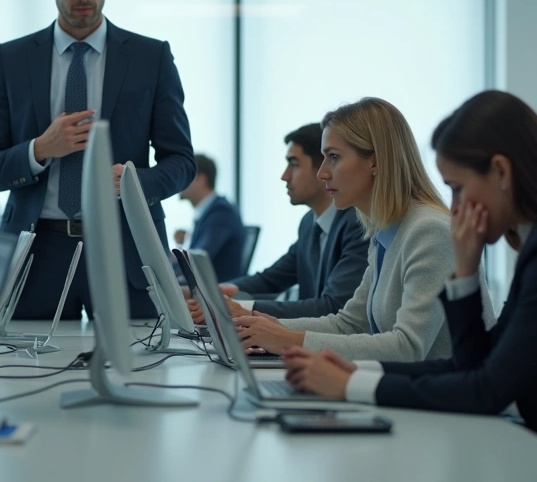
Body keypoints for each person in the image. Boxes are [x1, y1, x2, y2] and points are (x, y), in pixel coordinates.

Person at [282, 91, 537, 471]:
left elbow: (487, 390)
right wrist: (466, 273)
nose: (453, 208)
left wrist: (351, 386)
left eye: (457, 189)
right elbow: (472, 364)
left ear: (501, 172)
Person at [0, 0, 195, 319]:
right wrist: (40, 149)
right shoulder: (11, 59)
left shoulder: (151, 57)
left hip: (127, 249)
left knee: (142, 371)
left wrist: (133, 182)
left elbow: (182, 163)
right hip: (37, 255)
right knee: (25, 372)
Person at [234, 98, 495, 360]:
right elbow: (349, 323)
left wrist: (287, 339)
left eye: (333, 157)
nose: (322, 173)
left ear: (376, 162)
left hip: (440, 399)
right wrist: (261, 328)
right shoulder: (385, 230)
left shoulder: (429, 231)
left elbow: (409, 348)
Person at [190, 124, 369, 322]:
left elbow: (334, 307)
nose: (285, 176)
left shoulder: (357, 224)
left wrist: (241, 308)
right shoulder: (309, 224)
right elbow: (271, 279)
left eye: (294, 164)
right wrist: (220, 292)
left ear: (322, 170)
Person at [173, 154, 246, 282]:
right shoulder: (209, 212)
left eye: (184, 175)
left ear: (201, 179)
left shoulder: (221, 212)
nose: (178, 180)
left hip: (216, 294)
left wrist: (171, 264)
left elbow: (197, 261)